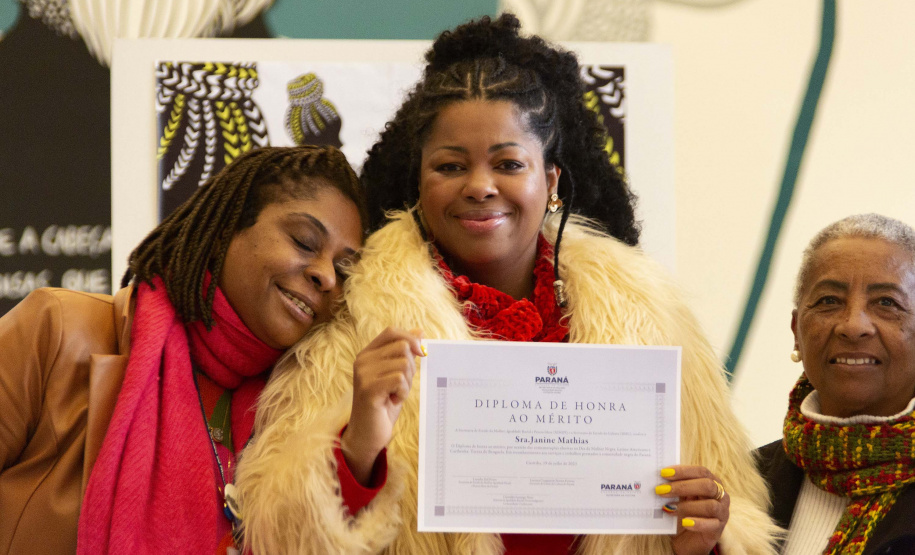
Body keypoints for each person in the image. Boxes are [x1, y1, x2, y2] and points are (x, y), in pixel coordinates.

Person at [236, 14, 778, 555]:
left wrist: (703, 541)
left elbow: (739, 528)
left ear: (551, 181)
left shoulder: (654, 319)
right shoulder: (352, 320)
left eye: (509, 164)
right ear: (418, 180)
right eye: (450, 167)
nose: (479, 186)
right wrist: (358, 444)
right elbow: (279, 538)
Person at [0, 145, 366, 555]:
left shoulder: (301, 411)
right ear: (227, 228)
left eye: (343, 269)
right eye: (304, 242)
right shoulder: (58, 329)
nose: (326, 276)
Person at [757, 214, 915, 555]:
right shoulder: (741, 486)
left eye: (887, 302)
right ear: (796, 331)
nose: (853, 326)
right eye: (829, 301)